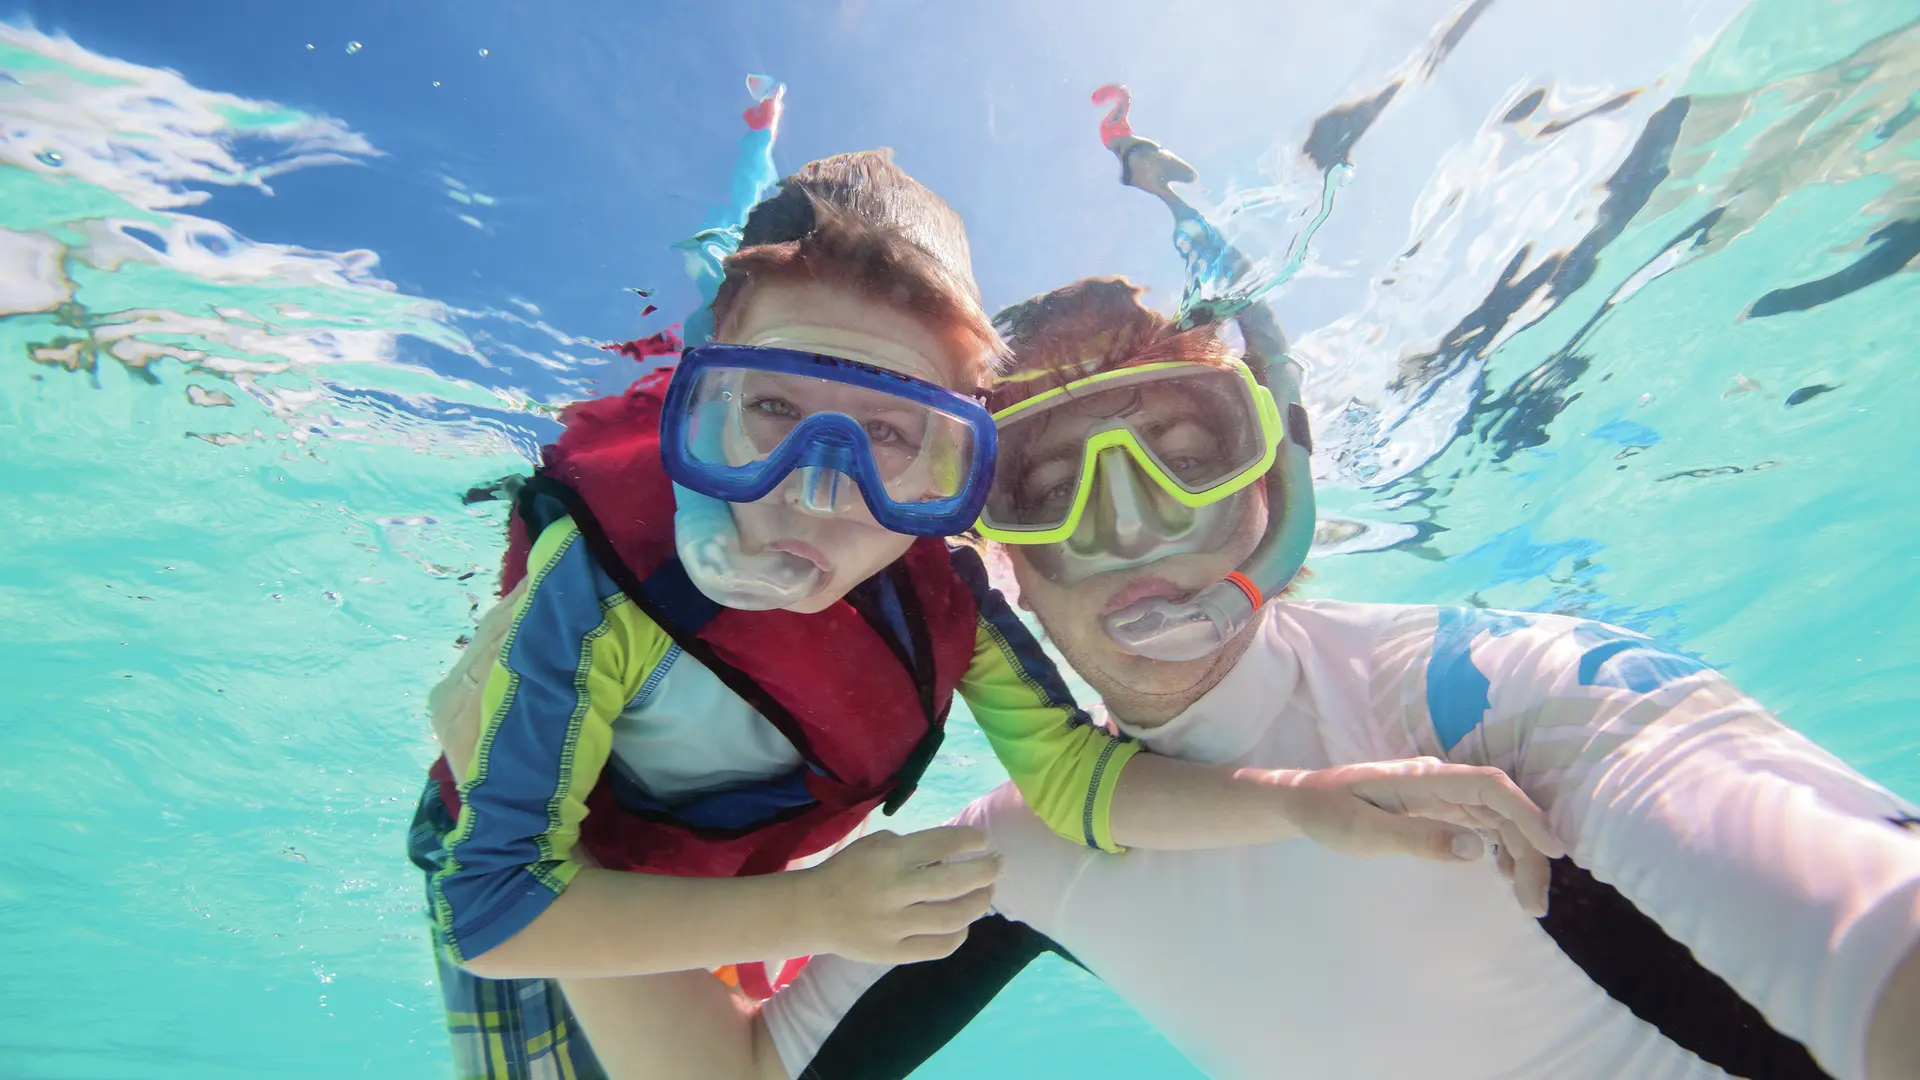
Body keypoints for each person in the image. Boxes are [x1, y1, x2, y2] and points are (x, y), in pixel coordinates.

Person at [573, 98, 1920, 1080]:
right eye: (1052, 485)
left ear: (1272, 488)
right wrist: (556, 812)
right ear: (998, 558)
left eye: (1187, 459)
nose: (1135, 534)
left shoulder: (1489, 702)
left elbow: (1869, 923)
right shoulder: (1034, 850)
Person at [408, 86, 1560, 1080]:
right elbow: (499, 911)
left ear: (960, 460)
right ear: (698, 409)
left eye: (891, 438)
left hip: (724, 864)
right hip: (555, 864)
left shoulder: (944, 599)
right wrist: (810, 910)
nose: (818, 490)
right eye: (769, 411)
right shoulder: (600, 586)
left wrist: (1295, 804)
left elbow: (1074, 779)